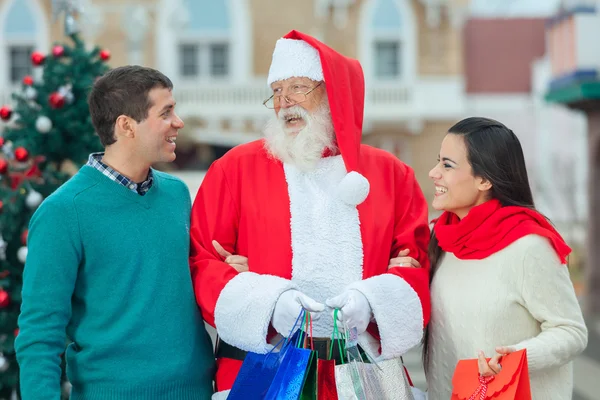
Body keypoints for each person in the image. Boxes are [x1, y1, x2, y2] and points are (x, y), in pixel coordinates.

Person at [189, 30, 431, 398]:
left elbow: (414, 264)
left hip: (367, 372)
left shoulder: (391, 174)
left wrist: (371, 303)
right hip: (263, 367)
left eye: (299, 87)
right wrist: (268, 304)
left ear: (332, 92)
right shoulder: (234, 169)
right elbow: (203, 260)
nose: (285, 102)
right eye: (277, 91)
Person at [15, 65, 215, 399]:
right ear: (126, 126)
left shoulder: (177, 194)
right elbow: (40, 333)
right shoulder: (63, 212)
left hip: (195, 391)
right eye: (166, 113)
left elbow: (188, 277)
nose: (178, 122)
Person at [416, 117, 588, 399]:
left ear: (484, 179)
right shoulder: (442, 239)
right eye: (438, 161)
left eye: (447, 165)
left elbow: (571, 331)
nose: (434, 172)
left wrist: (518, 357)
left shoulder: (528, 247)